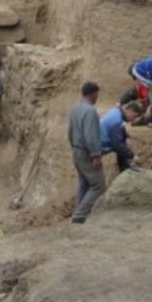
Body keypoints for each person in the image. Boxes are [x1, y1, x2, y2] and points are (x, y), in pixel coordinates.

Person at [67, 81, 105, 224]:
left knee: (84, 183)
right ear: (93, 94)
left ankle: (78, 212)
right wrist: (95, 155)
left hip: (77, 150)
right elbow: (91, 135)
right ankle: (80, 214)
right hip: (86, 152)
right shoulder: (90, 111)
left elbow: (69, 132)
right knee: (98, 185)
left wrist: (74, 147)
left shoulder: (75, 109)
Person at [99, 101, 144, 171]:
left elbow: (121, 128)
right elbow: (117, 144)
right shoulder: (116, 120)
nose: (133, 120)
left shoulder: (115, 111)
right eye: (134, 116)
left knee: (122, 140)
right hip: (100, 146)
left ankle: (125, 166)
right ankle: (125, 168)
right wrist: (132, 156)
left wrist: (126, 137)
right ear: (130, 111)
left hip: (99, 139)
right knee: (120, 145)